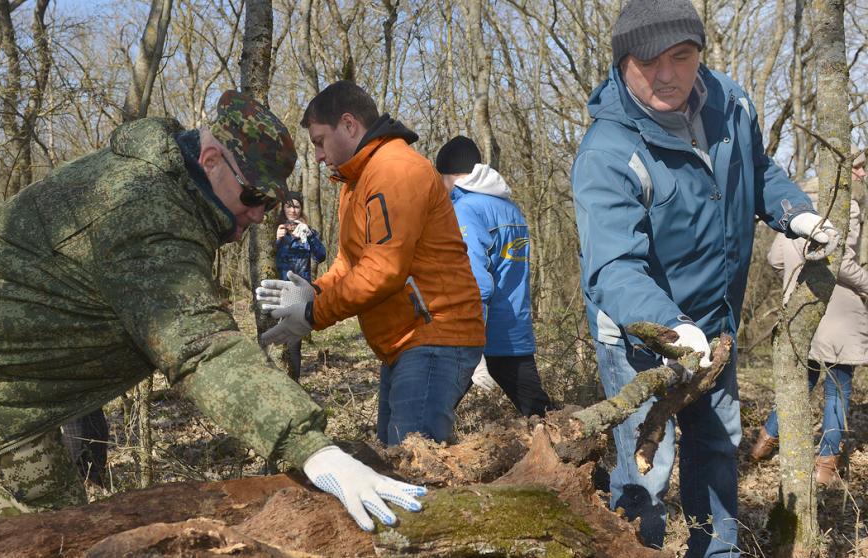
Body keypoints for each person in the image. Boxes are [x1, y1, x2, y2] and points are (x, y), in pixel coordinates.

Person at [0, 91, 426, 531]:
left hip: (17, 348)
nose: (256, 213)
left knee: (58, 522)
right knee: (44, 530)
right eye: (251, 195)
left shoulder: (176, 185)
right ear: (211, 159)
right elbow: (200, 349)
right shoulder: (144, 213)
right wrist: (314, 449)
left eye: (269, 203)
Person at [570, 1, 838, 555]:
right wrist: (669, 326)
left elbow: (758, 170)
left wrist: (794, 213)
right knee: (647, 465)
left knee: (717, 444)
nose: (666, 75)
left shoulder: (730, 102)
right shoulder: (609, 151)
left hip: (717, 322)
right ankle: (637, 548)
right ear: (622, 64)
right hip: (641, 336)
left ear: (699, 54)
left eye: (681, 57)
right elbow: (612, 267)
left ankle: (716, 550)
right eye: (648, 63)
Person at [256, 81, 486, 446]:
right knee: (394, 456)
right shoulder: (356, 182)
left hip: (436, 336)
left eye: (320, 141)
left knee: (413, 461)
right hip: (405, 341)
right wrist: (312, 292)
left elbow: (383, 270)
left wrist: (314, 313)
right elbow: (350, 264)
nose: (318, 155)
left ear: (349, 124)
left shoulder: (395, 170)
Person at [752, 154, 868, 487]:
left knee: (802, 382)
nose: (862, 173)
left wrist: (793, 281)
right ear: (840, 169)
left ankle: (764, 442)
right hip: (838, 312)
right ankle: (825, 466)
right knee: (838, 391)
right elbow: (840, 262)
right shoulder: (846, 208)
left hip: (800, 312)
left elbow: (776, 258)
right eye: (857, 166)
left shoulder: (796, 207)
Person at [434, 136, 553, 417]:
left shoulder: (464, 210)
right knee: (541, 413)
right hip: (513, 331)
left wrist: (472, 342)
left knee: (429, 414)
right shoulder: (510, 209)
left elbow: (474, 282)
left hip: (478, 333)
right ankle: (573, 441)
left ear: (448, 176)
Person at [274, 191, 326, 380]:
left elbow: (321, 256)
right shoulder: (274, 229)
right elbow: (265, 259)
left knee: (294, 343)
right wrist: (276, 240)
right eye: (289, 206)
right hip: (277, 293)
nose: (293, 210)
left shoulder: (306, 230)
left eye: (297, 206)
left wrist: (310, 236)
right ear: (283, 208)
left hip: (299, 295)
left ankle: (294, 383)